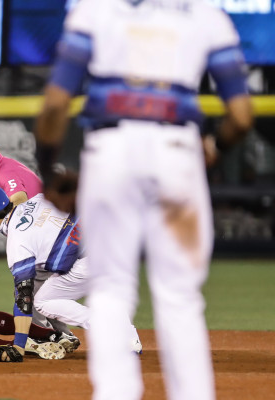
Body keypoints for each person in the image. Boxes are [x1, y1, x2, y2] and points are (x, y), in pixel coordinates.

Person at [34, 0, 253, 399]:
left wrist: (48, 170)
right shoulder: (207, 13)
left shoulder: (95, 8)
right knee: (180, 295)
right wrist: (213, 146)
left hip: (111, 153)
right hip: (177, 151)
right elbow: (241, 116)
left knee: (112, 287)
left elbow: (55, 102)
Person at [0, 185, 141, 363]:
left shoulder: (17, 242)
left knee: (42, 302)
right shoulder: (38, 199)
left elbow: (24, 298)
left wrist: (18, 346)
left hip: (91, 260)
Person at [0, 131, 74, 340]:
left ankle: (46, 338)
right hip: (54, 234)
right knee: (41, 293)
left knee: (27, 293)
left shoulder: (5, 173)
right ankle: (62, 336)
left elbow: (18, 200)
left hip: (51, 238)